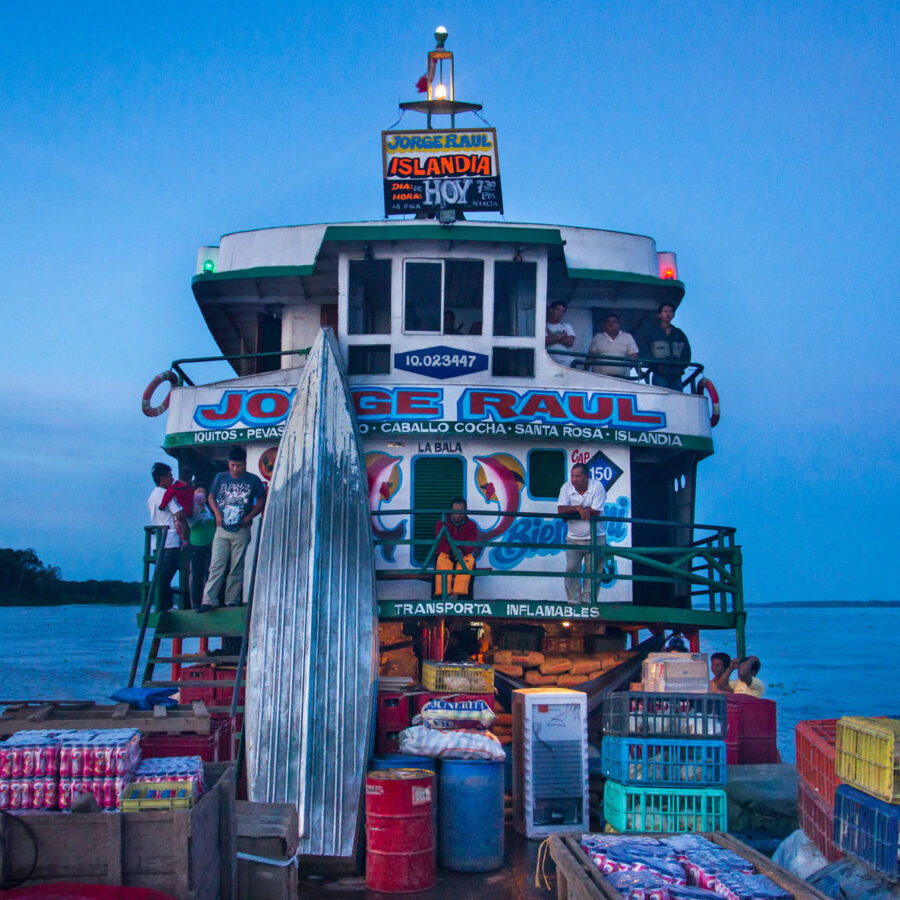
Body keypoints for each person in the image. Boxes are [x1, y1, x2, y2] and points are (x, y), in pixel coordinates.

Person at [199, 447, 266, 612]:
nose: (235, 469)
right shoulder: (220, 477)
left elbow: (262, 499)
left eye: (239, 465)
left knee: (236, 566)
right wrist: (216, 514)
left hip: (241, 529)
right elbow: (211, 496)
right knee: (216, 565)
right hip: (222, 528)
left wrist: (249, 517)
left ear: (245, 465)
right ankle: (209, 600)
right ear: (229, 464)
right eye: (233, 465)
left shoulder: (253, 480)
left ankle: (232, 600)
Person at [557, 463, 606, 603]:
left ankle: (588, 602)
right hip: (573, 538)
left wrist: (573, 510)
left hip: (596, 537)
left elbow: (596, 511)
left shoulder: (597, 486)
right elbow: (560, 510)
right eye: (572, 476)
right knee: (571, 569)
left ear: (586, 477)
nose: (574, 479)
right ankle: (574, 602)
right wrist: (579, 508)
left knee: (593, 572)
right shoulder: (566, 487)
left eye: (578, 476)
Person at [147, 462, 186, 612]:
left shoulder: (152, 496)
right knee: (167, 575)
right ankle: (166, 606)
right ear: (162, 477)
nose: (172, 478)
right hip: (170, 540)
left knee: (162, 574)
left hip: (157, 542)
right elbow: (178, 513)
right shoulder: (166, 494)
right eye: (170, 475)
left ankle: (161, 604)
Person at [434, 498, 478, 600]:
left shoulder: (471, 525)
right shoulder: (441, 524)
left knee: (470, 565)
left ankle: (466, 601)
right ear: (450, 511)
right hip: (446, 554)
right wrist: (451, 551)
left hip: (463, 555)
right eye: (455, 512)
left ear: (465, 511)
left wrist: (462, 552)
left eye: (461, 512)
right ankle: (438, 601)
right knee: (439, 566)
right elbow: (440, 544)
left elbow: (471, 544)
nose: (458, 515)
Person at [643, 301, 691, 390]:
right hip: (659, 375)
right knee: (661, 399)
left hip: (676, 376)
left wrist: (680, 367)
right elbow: (645, 351)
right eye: (665, 311)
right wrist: (656, 366)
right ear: (659, 315)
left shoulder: (679, 334)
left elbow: (686, 353)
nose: (668, 314)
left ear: (673, 315)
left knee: (677, 399)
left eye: (670, 311)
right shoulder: (652, 333)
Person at [188, 482, 215, 611]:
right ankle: (196, 603)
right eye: (198, 495)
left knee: (209, 574)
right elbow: (191, 523)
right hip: (196, 545)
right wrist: (196, 506)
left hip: (210, 545)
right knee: (196, 575)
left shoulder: (210, 508)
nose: (201, 497)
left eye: (203, 495)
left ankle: (208, 601)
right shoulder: (192, 509)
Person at [588, 313, 639, 377]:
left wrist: (639, 372)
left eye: (614, 321)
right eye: (608, 321)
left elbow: (634, 356)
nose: (611, 324)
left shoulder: (627, 336)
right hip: (600, 378)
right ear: (604, 324)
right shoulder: (598, 337)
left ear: (619, 324)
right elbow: (591, 356)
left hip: (622, 378)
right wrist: (585, 371)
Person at [159, 465, 194, 545]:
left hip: (182, 513)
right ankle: (185, 541)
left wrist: (162, 506)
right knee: (185, 527)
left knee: (179, 527)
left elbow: (167, 496)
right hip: (189, 513)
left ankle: (182, 540)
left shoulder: (174, 488)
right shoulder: (191, 489)